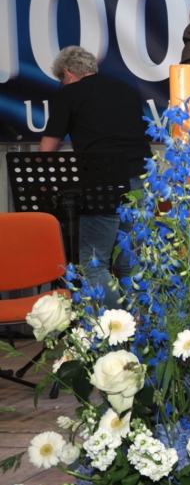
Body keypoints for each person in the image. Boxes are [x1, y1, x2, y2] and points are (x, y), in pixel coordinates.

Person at [39, 46, 153, 309]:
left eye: (61, 79)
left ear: (67, 72)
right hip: (142, 176)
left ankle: (115, 326)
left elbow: (49, 145)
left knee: (94, 263)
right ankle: (139, 327)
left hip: (102, 179)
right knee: (130, 260)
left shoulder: (69, 93)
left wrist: (42, 181)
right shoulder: (126, 90)